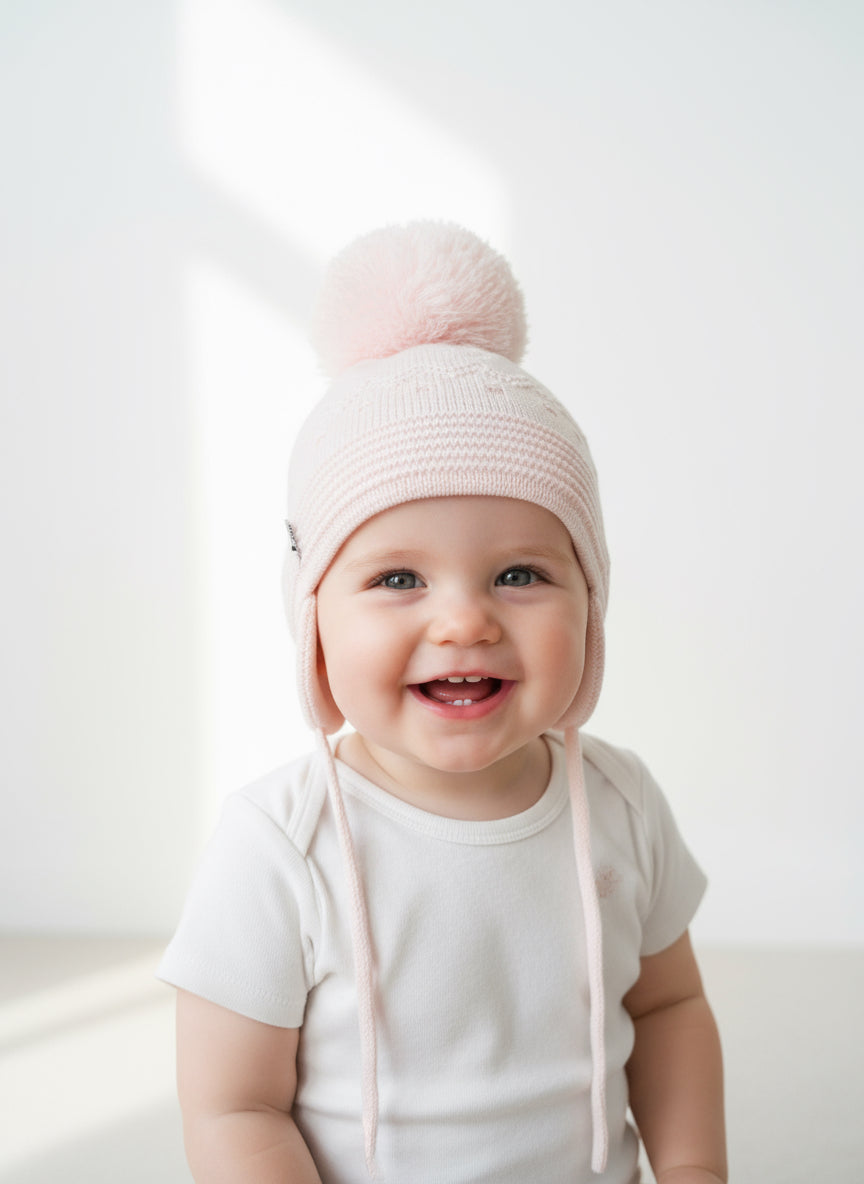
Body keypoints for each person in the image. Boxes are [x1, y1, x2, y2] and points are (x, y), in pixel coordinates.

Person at [158, 222, 727, 1184]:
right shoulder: (280, 844)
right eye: (396, 580)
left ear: (592, 603)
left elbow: (668, 1010)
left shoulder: (620, 805)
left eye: (518, 572)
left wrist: (696, 1173)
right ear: (313, 622)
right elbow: (233, 1105)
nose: (464, 622)